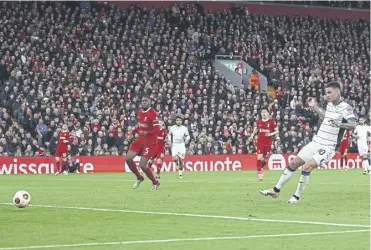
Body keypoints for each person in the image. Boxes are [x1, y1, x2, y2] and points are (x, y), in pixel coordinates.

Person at [260, 82, 356, 203]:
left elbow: (353, 125)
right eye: (326, 92)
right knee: (294, 163)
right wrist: (314, 106)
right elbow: (326, 115)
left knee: (306, 166)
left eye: (329, 92)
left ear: (337, 92)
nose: (327, 95)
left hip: (329, 145)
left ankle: (296, 197)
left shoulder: (346, 107)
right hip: (317, 140)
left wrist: (339, 124)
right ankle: (276, 190)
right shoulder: (330, 104)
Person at [126, 96, 161, 190]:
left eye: (146, 101)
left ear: (149, 102)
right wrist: (133, 133)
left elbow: (157, 130)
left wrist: (147, 133)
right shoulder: (140, 112)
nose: (144, 102)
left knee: (142, 165)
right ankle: (139, 177)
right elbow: (141, 127)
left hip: (150, 141)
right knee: (128, 159)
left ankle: (155, 182)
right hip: (140, 139)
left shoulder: (152, 114)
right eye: (142, 101)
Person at [249, 107, 279, 180]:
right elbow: (256, 129)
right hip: (260, 142)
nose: (264, 113)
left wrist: (270, 134)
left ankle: (261, 168)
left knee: (265, 158)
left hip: (268, 143)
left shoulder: (272, 122)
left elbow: (277, 131)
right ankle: (260, 173)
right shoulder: (259, 122)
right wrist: (252, 135)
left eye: (265, 112)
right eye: (262, 112)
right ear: (261, 114)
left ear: (268, 114)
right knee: (259, 157)